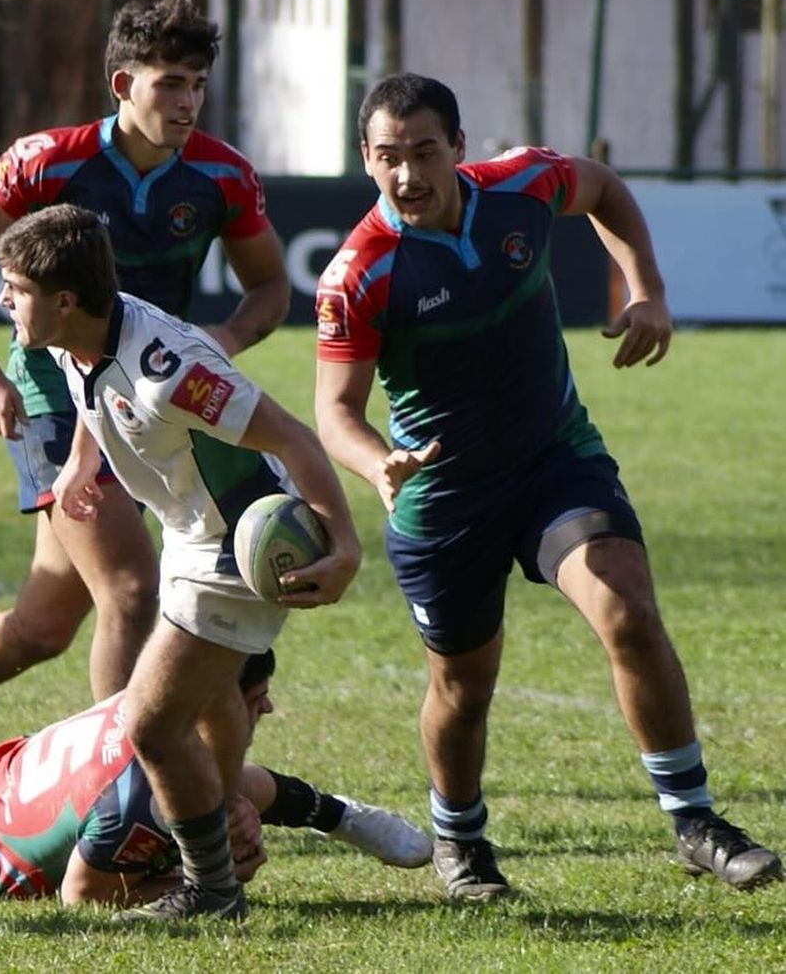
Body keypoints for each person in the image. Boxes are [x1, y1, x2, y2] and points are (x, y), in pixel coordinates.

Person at [313, 72, 782, 900]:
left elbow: (601, 187)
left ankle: (695, 821)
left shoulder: (521, 184)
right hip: (444, 498)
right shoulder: (358, 274)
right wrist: (374, 459)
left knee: (626, 607)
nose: (408, 175)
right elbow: (336, 410)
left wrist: (648, 290)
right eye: (388, 158)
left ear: (460, 147)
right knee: (462, 688)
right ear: (365, 159)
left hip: (553, 461)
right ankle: (460, 842)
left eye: (425, 152)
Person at [0, 0, 290, 800]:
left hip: (152, 399)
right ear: (122, 84)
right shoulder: (49, 159)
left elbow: (270, 292)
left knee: (41, 627)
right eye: (168, 84)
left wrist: (213, 347)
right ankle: (126, 798)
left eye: (195, 85)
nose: (185, 102)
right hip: (53, 388)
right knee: (132, 590)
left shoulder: (222, 175)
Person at [0, 204, 361, 923]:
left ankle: (214, 888)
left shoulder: (170, 373)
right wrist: (77, 465)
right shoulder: (75, 336)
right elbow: (93, 400)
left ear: (64, 299)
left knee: (152, 725)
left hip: (240, 549)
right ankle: (270, 828)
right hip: (189, 534)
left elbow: (292, 438)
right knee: (206, 707)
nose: (4, 298)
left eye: (15, 287)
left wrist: (343, 544)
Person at [0, 646, 432, 904]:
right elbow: (81, 896)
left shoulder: (163, 696)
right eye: (253, 695)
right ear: (215, 704)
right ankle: (335, 816)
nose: (267, 705)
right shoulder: (142, 796)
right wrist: (197, 871)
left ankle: (338, 815)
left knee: (222, 784)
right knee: (197, 793)